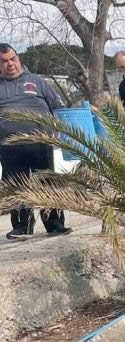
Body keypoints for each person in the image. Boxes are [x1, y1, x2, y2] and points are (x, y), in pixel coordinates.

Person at [0, 43, 72, 239]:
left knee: (48, 183)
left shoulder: (37, 81)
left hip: (41, 144)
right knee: (16, 185)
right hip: (10, 148)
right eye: (4, 61)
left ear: (19, 58)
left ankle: (55, 224)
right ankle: (22, 227)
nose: (10, 64)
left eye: (13, 59)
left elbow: (57, 108)